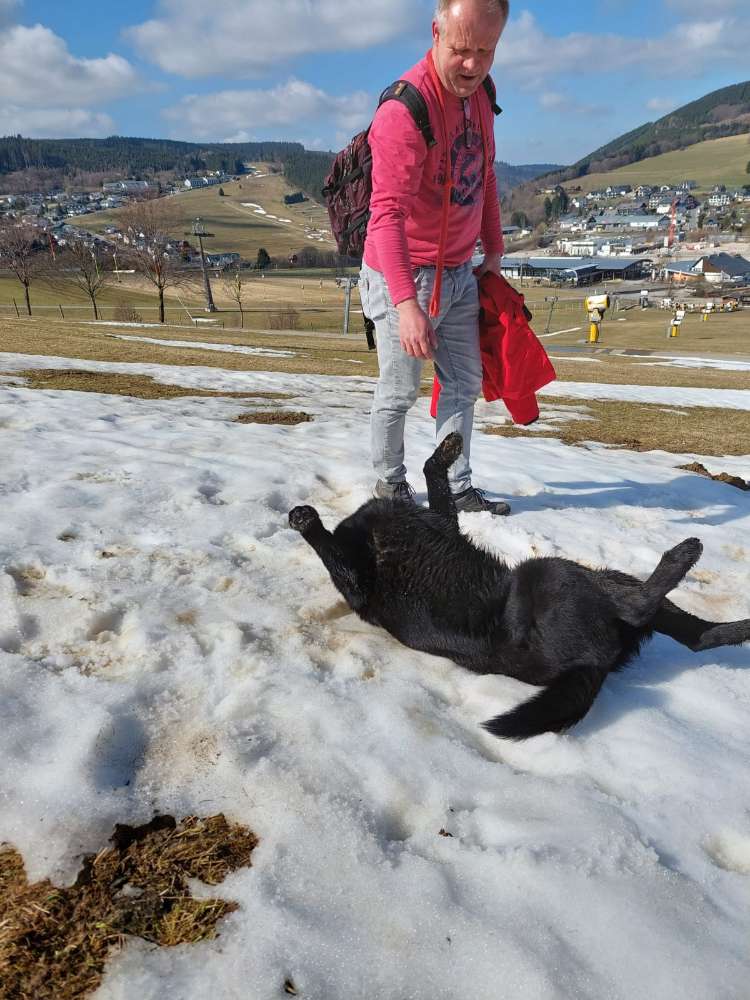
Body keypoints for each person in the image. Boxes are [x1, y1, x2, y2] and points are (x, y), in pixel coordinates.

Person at [359, 0, 511, 514]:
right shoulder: (405, 111)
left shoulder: (482, 97)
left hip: (460, 271)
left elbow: (485, 175)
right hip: (405, 273)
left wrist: (493, 249)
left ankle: (454, 486)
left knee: (464, 386)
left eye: (485, 51)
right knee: (398, 391)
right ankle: (389, 485)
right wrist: (405, 305)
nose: (472, 65)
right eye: (461, 50)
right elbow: (385, 217)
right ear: (436, 31)